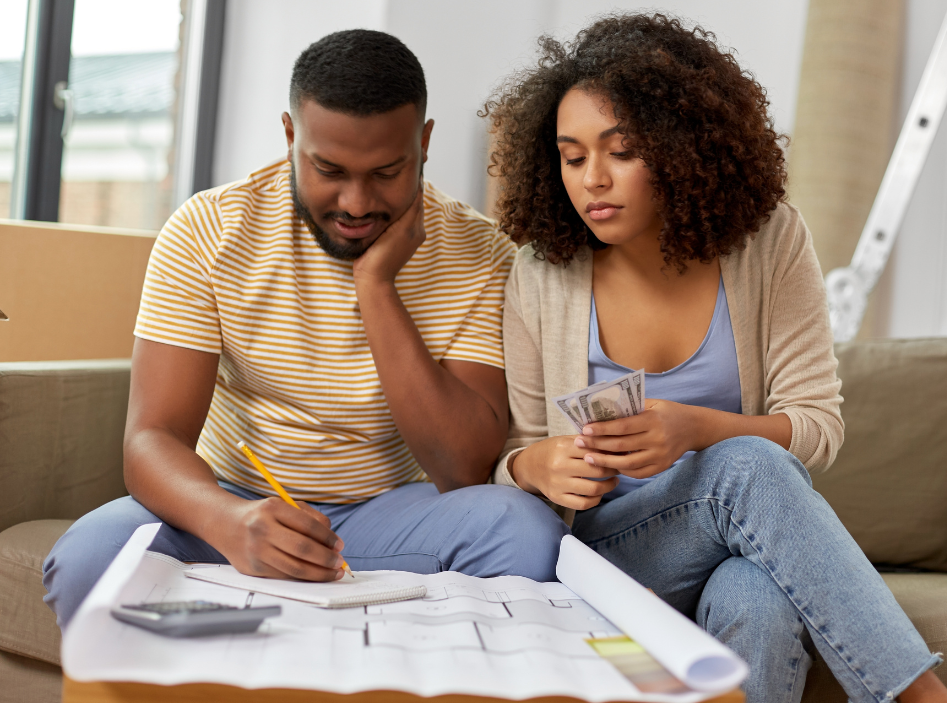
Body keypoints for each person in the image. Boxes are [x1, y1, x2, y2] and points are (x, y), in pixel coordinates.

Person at [483, 14, 947, 703]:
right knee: (749, 466)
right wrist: (537, 466)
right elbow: (506, 458)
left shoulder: (769, 243)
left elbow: (818, 427)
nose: (593, 180)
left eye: (620, 151)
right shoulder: (542, 271)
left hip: (738, 541)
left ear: (680, 148)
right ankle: (922, 696)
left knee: (759, 600)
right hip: (611, 557)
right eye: (573, 155)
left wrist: (694, 428)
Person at [42, 29, 568, 630]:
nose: (356, 201)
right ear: (292, 136)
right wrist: (228, 522)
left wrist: (376, 288)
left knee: (528, 536)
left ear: (423, 144)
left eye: (387, 172)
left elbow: (464, 468)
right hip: (232, 500)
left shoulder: (480, 253)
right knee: (88, 560)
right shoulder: (209, 230)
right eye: (329, 169)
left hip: (390, 514)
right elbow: (151, 440)